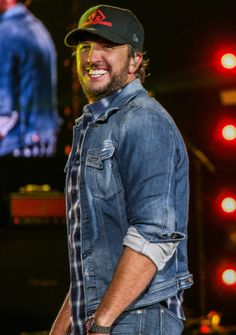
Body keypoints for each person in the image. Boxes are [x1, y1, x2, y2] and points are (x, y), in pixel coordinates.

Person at [50, 4, 193, 335]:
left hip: (136, 318)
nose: (92, 57)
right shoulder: (96, 126)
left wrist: (102, 323)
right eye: (85, 47)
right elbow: (94, 259)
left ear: (136, 61)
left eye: (107, 46)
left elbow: (154, 234)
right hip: (106, 316)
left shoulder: (143, 120)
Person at [0, 0, 60, 157]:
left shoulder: (6, 31)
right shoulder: (37, 27)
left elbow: (3, 103)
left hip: (15, 142)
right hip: (43, 139)